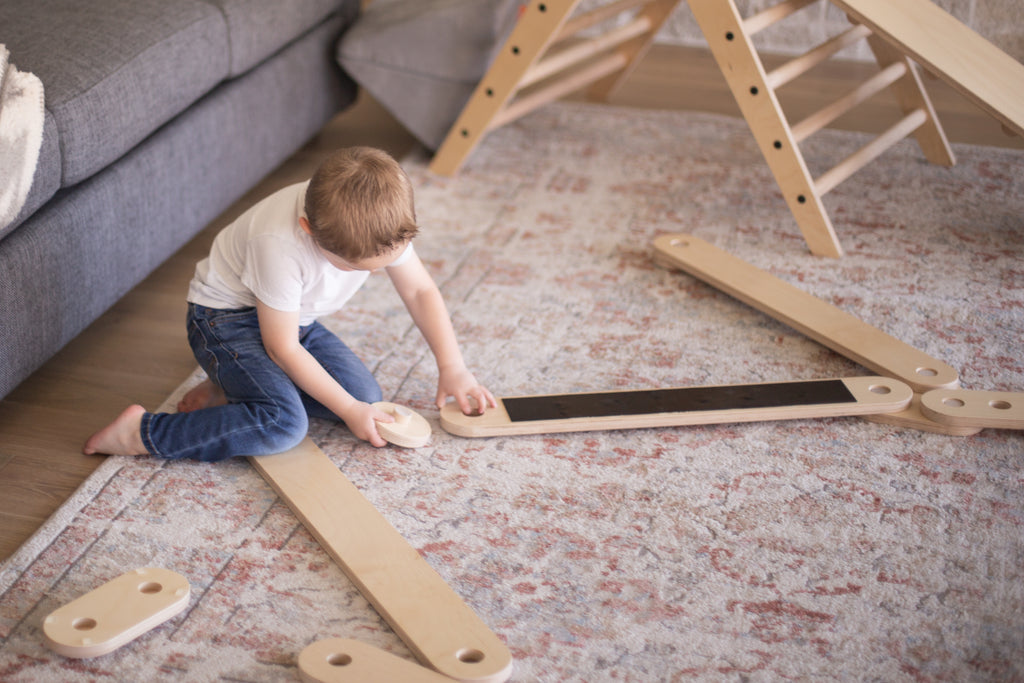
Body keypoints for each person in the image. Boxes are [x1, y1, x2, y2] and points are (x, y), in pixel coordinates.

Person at [83, 147, 495, 460]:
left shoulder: (379, 223)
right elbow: (282, 348)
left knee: (369, 399)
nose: (374, 275)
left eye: (383, 265)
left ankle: (237, 386)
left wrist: (453, 366)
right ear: (308, 231)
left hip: (293, 321)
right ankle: (143, 432)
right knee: (284, 424)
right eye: (358, 267)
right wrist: (347, 410)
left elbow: (420, 291)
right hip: (224, 322)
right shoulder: (279, 244)